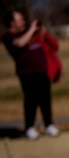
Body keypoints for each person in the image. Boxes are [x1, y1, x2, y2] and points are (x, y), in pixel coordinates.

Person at [2, 11, 60, 140]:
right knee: (31, 100)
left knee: (45, 99)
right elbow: (20, 43)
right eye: (20, 19)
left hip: (42, 71)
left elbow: (54, 45)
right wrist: (32, 29)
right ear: (12, 23)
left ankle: (49, 125)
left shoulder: (31, 33)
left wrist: (42, 32)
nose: (24, 22)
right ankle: (30, 127)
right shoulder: (8, 36)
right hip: (27, 74)